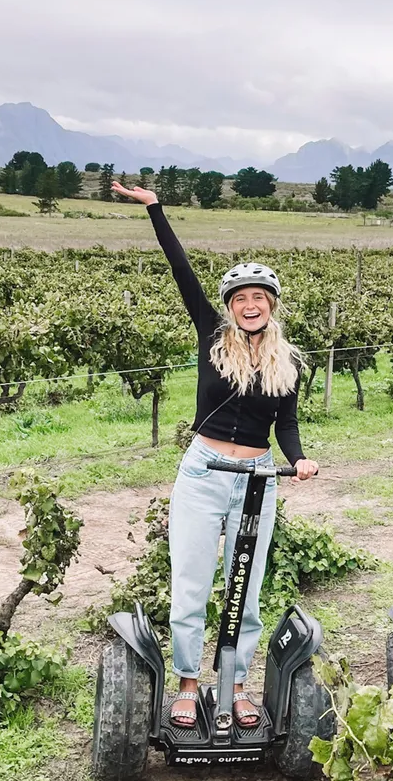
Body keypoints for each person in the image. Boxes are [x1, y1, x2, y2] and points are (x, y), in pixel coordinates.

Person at [112, 181, 318, 728]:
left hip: (256, 475)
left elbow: (288, 424)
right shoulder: (211, 336)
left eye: (259, 299)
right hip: (203, 471)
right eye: (240, 299)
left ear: (271, 307)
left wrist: (297, 459)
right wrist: (156, 209)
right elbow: (182, 270)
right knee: (193, 581)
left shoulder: (290, 363)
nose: (250, 306)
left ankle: (238, 683)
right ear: (230, 307)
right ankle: (187, 681)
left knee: (245, 587)